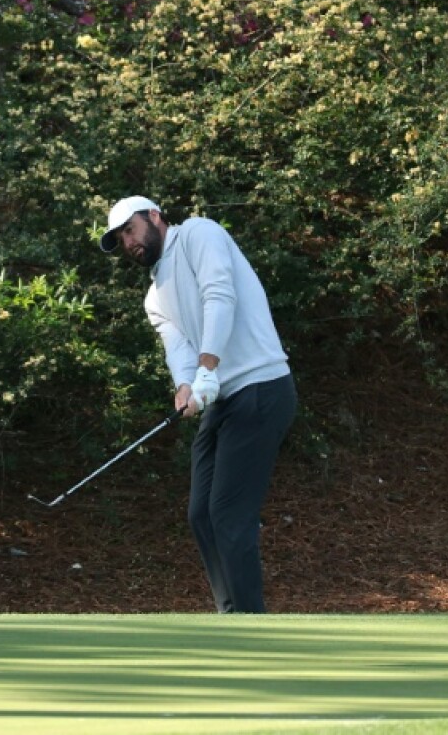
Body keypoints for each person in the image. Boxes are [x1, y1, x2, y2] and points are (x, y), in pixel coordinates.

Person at [99, 195, 296, 613]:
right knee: (201, 513)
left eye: (130, 230)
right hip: (223, 398)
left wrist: (208, 367)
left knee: (228, 512)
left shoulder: (198, 234)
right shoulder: (154, 297)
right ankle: (231, 615)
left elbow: (219, 296)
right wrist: (186, 386)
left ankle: (251, 622)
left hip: (262, 385)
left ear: (154, 216)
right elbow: (178, 349)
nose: (129, 243)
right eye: (121, 239)